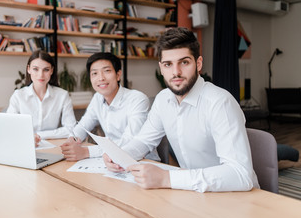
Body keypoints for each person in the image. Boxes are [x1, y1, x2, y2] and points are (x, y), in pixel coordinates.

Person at [104, 27, 260, 192]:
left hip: (234, 197)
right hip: (193, 192)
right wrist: (120, 155)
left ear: (198, 63)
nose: (176, 72)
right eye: (168, 64)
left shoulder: (220, 103)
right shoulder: (163, 99)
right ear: (161, 68)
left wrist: (166, 178)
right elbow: (144, 141)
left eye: (184, 62)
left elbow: (240, 175)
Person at [61, 52, 160, 161]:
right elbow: (83, 126)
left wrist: (87, 152)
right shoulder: (97, 98)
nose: (101, 78)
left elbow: (130, 141)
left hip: (143, 161)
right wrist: (72, 140)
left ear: (118, 75)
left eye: (107, 71)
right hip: (111, 159)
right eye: (94, 73)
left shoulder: (137, 99)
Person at [6, 50, 76, 145]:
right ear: (28, 69)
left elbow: (70, 128)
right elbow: (10, 128)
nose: (41, 75)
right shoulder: (18, 96)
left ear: (52, 70)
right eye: (35, 69)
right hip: (24, 144)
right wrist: (29, 137)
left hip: (53, 145)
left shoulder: (62, 95)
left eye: (46, 70)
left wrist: (38, 135)